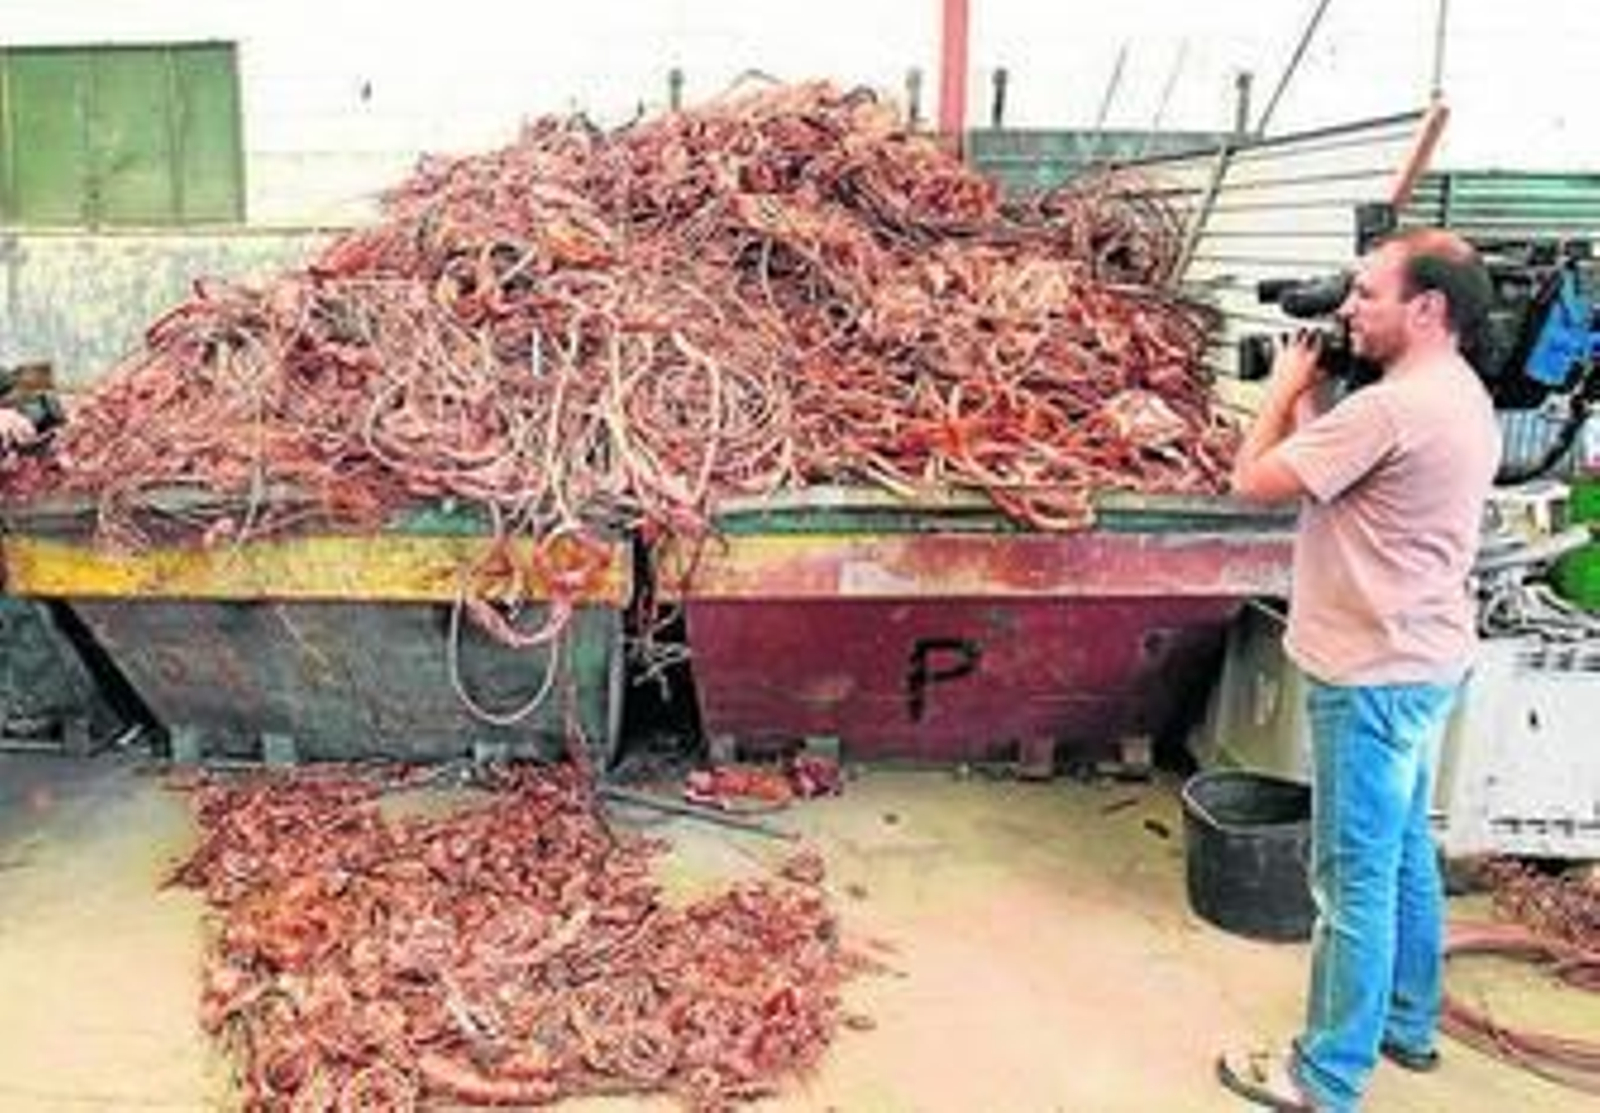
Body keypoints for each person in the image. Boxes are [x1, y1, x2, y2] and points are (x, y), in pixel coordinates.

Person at [1215, 228, 1501, 1113]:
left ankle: (1324, 1075)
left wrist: (1283, 389)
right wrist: (1317, 405)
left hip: (1370, 674)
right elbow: (1334, 473)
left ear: (1428, 308)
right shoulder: (1456, 393)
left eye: (1367, 294)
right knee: (1406, 851)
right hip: (1425, 659)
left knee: (1351, 880)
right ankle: (1407, 1023)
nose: (1348, 309)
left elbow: (1250, 481)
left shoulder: (1389, 409)